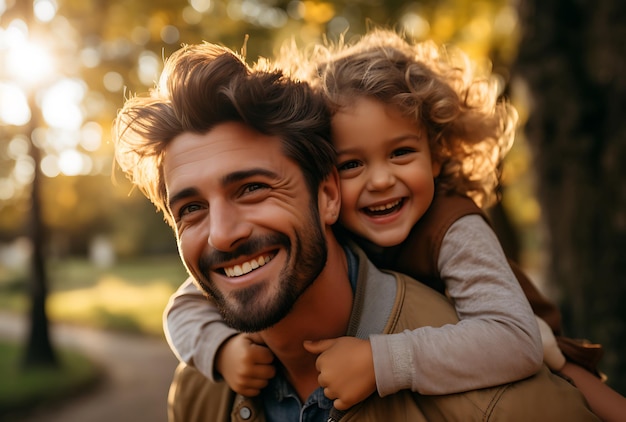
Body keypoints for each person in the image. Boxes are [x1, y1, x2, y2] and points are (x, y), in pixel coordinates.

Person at [113, 40, 599, 421]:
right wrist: (216, 350)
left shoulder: (456, 231)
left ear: (324, 196)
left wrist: (382, 361)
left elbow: (515, 342)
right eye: (191, 208)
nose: (222, 235)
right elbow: (182, 305)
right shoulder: (199, 392)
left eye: (253, 188)